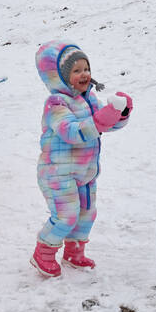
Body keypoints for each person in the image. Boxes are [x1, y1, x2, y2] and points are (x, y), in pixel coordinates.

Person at [32, 40, 132, 277]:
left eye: (86, 69)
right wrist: (99, 121)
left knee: (86, 213)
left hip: (85, 172)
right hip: (58, 172)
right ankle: (43, 252)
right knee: (66, 216)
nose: (84, 74)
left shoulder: (89, 100)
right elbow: (71, 131)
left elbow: (105, 126)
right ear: (60, 77)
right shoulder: (56, 103)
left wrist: (121, 113)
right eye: (76, 71)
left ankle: (74, 253)